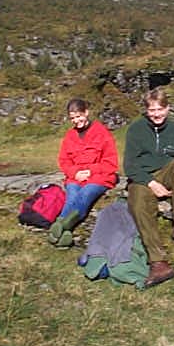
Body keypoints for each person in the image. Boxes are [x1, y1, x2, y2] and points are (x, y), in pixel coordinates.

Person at [124, 87, 174, 288]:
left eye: (160, 109)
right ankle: (158, 263)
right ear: (146, 111)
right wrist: (151, 183)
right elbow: (130, 165)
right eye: (152, 110)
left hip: (168, 174)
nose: (156, 114)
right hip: (144, 179)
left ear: (168, 108)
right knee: (138, 203)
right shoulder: (136, 129)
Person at [48, 99, 119, 247]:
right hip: (75, 178)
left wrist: (90, 171)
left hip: (99, 177)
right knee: (72, 195)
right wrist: (75, 173)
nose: (76, 121)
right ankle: (64, 233)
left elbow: (111, 163)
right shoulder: (70, 136)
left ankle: (61, 226)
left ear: (86, 112)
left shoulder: (102, 133)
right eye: (72, 118)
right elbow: (64, 161)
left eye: (79, 116)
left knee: (86, 193)